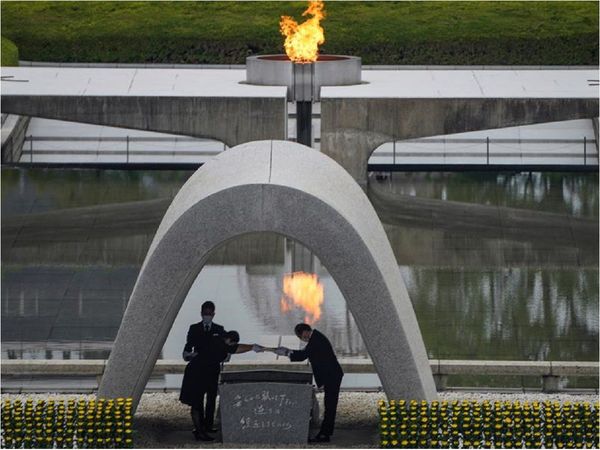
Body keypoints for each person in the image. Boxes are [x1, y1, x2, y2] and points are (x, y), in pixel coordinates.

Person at [179, 301, 259, 441]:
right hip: (196, 372)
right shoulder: (217, 342)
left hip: (207, 370)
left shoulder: (220, 335)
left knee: (209, 397)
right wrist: (252, 347)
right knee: (196, 402)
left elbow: (233, 349)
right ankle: (199, 431)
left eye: (210, 313)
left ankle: (204, 428)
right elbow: (234, 349)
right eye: (205, 313)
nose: (207, 316)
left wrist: (252, 347)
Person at [274, 323, 344, 443]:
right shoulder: (316, 337)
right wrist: (289, 351)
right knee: (330, 405)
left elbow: (303, 355)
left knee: (330, 406)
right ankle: (325, 433)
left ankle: (324, 435)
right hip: (332, 375)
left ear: (305, 332)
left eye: (301, 336)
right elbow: (305, 352)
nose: (302, 339)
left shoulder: (315, 340)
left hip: (332, 376)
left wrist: (286, 352)